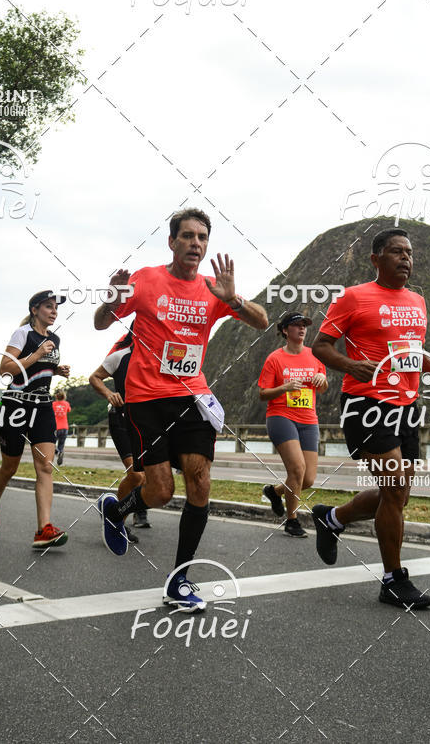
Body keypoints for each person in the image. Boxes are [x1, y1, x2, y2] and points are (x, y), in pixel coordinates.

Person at [94, 207, 268, 612]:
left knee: (201, 483)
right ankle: (118, 510)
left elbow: (262, 322)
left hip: (192, 396)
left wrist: (234, 300)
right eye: (187, 236)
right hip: (147, 398)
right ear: (172, 241)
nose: (195, 243)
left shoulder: (213, 288)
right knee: (159, 491)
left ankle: (180, 579)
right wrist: (113, 300)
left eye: (202, 238)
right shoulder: (147, 279)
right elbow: (102, 323)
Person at [312, 228, 430, 609]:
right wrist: (350, 364)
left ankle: (333, 519)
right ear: (376, 259)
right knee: (393, 489)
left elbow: (410, 348)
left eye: (409, 253)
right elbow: (320, 346)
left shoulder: (417, 301)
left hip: (406, 406)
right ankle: (393, 580)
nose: (405, 258)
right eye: (396, 252)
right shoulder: (354, 297)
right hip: (367, 404)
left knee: (399, 494)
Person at [0, 291, 71, 549]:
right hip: (15, 406)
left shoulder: (55, 338)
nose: (54, 312)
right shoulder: (22, 334)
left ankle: (43, 529)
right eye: (48, 307)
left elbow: (40, 369)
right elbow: (5, 370)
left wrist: (56, 370)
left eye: (55, 308)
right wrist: (37, 353)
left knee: (45, 467)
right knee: (9, 468)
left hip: (43, 405)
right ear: (35, 310)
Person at [258, 313, 327, 537]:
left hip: (308, 419)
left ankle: (275, 492)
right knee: (296, 470)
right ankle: (292, 521)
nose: (302, 329)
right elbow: (263, 394)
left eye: (304, 325)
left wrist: (322, 381)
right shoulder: (275, 359)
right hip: (281, 417)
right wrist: (283, 388)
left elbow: (323, 387)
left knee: (307, 479)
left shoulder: (315, 355)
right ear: (285, 330)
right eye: (296, 325)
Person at [89, 323, 149, 545]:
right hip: (121, 419)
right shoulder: (120, 356)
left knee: (147, 478)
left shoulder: (159, 357)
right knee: (136, 475)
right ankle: (116, 522)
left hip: (147, 422)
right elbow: (94, 377)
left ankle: (114, 513)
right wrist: (109, 393)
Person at [52, 389, 71, 467]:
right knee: (61, 444)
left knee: (52, 444)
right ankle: (60, 462)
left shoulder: (53, 404)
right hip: (65, 427)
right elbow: (69, 410)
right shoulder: (66, 404)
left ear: (56, 396)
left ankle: (57, 452)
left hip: (56, 427)